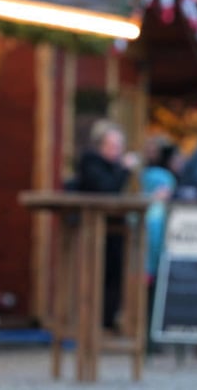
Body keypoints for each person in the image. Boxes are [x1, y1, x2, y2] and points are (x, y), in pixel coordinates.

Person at [71, 120, 135, 329]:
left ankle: (107, 320)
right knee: (94, 277)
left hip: (115, 230)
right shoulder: (91, 162)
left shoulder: (113, 166)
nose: (117, 151)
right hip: (93, 230)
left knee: (115, 277)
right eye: (112, 146)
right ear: (100, 145)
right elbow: (107, 190)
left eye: (119, 146)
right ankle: (89, 321)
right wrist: (125, 170)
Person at [140, 134, 177, 351]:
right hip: (154, 236)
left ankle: (150, 336)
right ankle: (151, 336)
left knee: (152, 288)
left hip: (151, 237)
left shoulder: (144, 175)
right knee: (153, 287)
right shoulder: (161, 177)